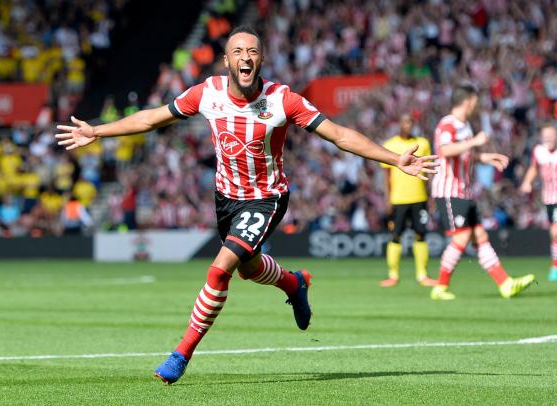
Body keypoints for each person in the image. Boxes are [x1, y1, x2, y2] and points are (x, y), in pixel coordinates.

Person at [55, 26, 438, 384]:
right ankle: (294, 282)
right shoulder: (207, 93)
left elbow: (338, 135)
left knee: (221, 269)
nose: (245, 56)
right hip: (226, 199)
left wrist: (393, 158)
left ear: (261, 59)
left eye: (252, 51)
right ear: (226, 61)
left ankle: (181, 353)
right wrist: (96, 130)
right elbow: (152, 118)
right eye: (237, 51)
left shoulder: (282, 99)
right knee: (250, 269)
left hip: (267, 198)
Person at [429, 83, 535, 300]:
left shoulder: (465, 126)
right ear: (468, 101)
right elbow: (445, 150)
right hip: (449, 189)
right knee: (464, 235)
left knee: (480, 235)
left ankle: (505, 283)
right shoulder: (448, 124)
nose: (477, 105)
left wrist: (484, 157)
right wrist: (475, 142)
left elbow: (464, 155)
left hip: (463, 190)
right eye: (476, 101)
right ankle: (440, 287)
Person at [379, 114, 438, 287]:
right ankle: (393, 274)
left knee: (421, 234)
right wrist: (387, 199)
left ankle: (422, 275)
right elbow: (386, 176)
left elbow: (428, 172)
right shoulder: (390, 145)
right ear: (400, 124)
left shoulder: (423, 143)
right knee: (396, 235)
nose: (408, 125)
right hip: (398, 199)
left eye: (411, 122)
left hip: (419, 198)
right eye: (405, 122)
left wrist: (432, 196)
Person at [520, 124, 557, 281]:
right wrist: (527, 182)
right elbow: (534, 168)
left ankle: (555, 266)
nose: (548, 138)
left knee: (555, 231)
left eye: (551, 135)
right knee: (554, 232)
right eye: (545, 135)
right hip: (549, 198)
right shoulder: (539, 151)